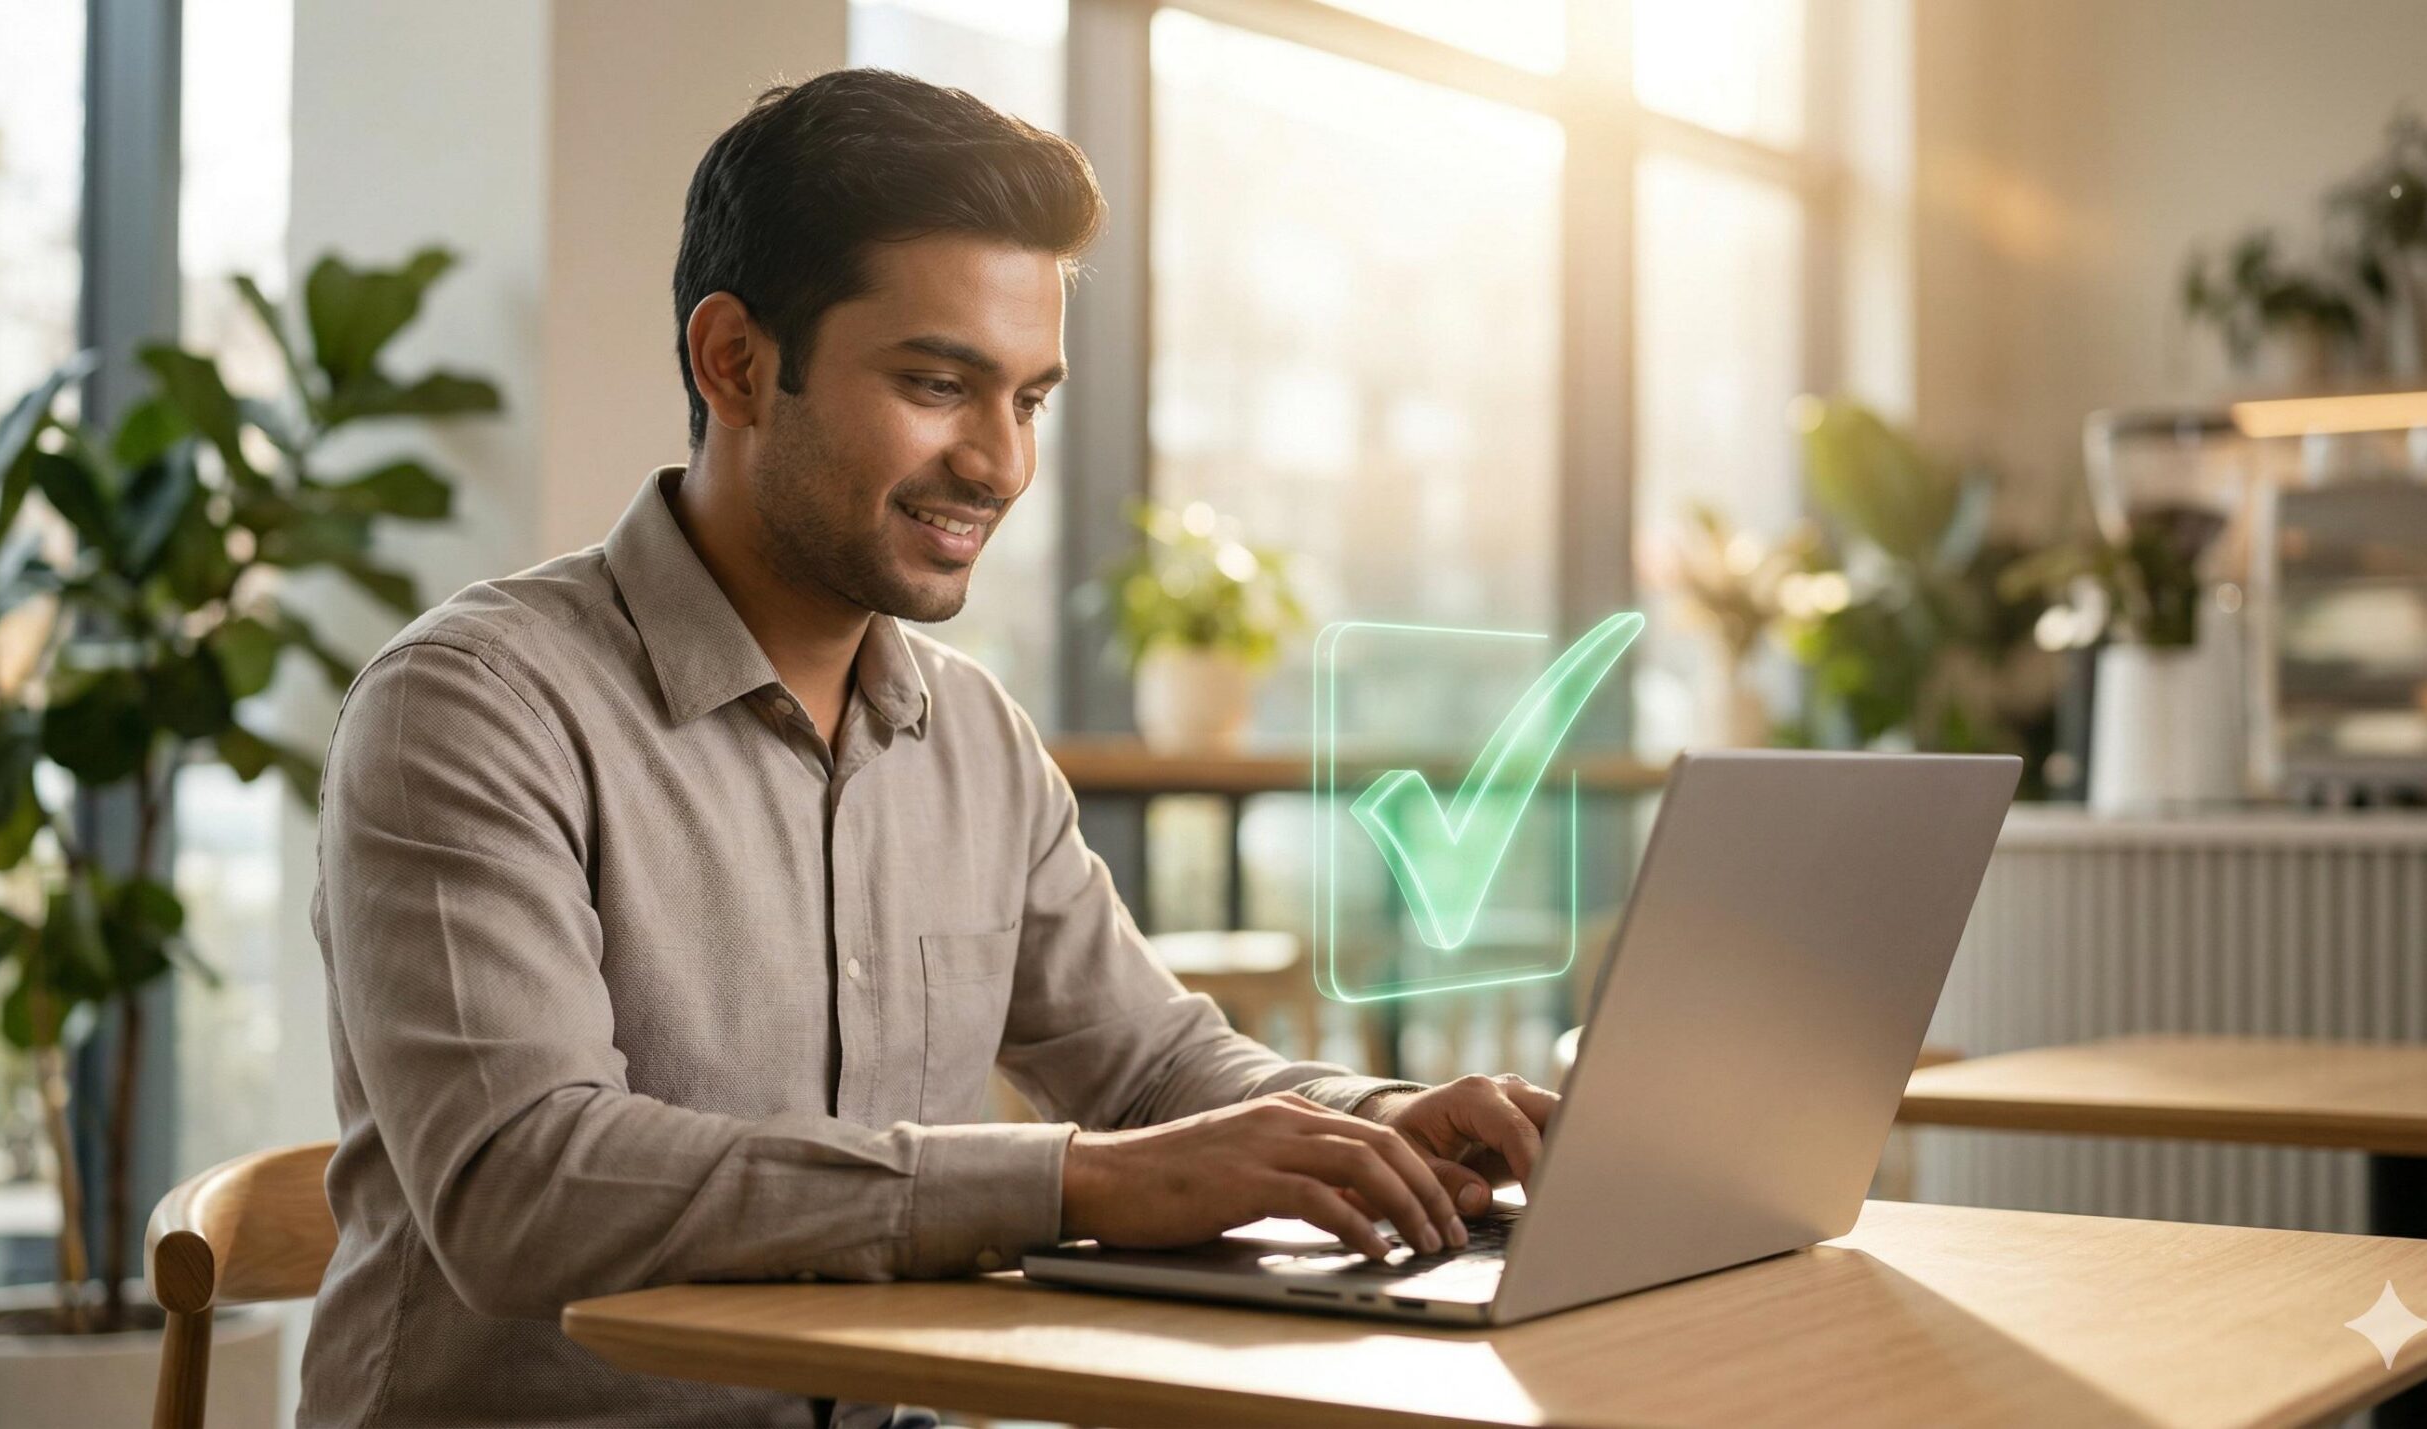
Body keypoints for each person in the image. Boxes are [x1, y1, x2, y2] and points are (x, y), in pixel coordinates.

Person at [298, 68, 1559, 1428]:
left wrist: (1384, 1122)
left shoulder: (973, 737)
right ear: (734, 362)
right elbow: (522, 1186)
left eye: (1028, 400)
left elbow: (1158, 1071)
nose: (1002, 464)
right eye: (938, 383)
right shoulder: (471, 707)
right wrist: (1072, 1181)